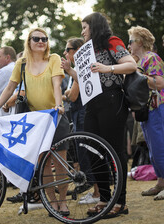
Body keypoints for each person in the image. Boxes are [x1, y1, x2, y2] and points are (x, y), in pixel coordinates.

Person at [61, 12, 137, 218]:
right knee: (92, 150)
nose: (82, 32)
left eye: (84, 27)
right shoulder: (86, 50)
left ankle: (120, 202)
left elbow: (131, 65)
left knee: (115, 151)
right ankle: (104, 199)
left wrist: (108, 68)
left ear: (94, 27)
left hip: (112, 101)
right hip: (92, 104)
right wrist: (70, 71)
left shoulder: (111, 41)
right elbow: (87, 79)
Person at [0, 28, 70, 215]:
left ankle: (63, 202)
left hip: (55, 116)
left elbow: (57, 84)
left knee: (60, 164)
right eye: (36, 38)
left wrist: (59, 105)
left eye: (44, 38)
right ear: (29, 41)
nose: (41, 41)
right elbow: (10, 88)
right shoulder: (22, 63)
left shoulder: (54, 59)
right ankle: (52, 203)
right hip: (35, 122)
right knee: (42, 165)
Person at [128, 25, 164, 200]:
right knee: (153, 148)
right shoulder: (138, 61)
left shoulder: (152, 58)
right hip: (146, 110)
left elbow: (159, 83)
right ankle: (160, 182)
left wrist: (137, 73)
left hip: (157, 107)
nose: (128, 46)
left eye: (131, 41)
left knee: (160, 146)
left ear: (140, 42)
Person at [62, 37, 100, 204]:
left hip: (82, 112)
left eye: (67, 49)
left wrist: (66, 93)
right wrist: (67, 93)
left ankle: (98, 192)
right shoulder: (75, 70)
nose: (64, 53)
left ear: (77, 51)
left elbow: (73, 95)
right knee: (84, 150)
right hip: (79, 112)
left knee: (87, 150)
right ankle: (97, 191)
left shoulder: (79, 68)